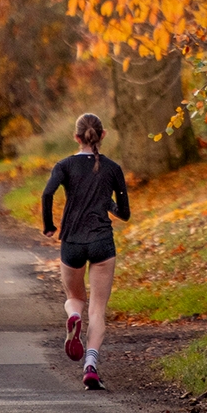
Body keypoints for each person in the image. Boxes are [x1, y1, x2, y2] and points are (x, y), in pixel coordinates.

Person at [41, 112, 130, 391]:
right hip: (102, 241)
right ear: (102, 136)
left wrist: (49, 226)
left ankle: (73, 317)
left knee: (74, 298)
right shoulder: (113, 169)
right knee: (99, 309)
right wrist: (108, 204)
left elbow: (47, 194)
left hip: (73, 242)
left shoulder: (65, 165)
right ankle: (90, 365)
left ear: (76, 137)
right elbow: (124, 212)